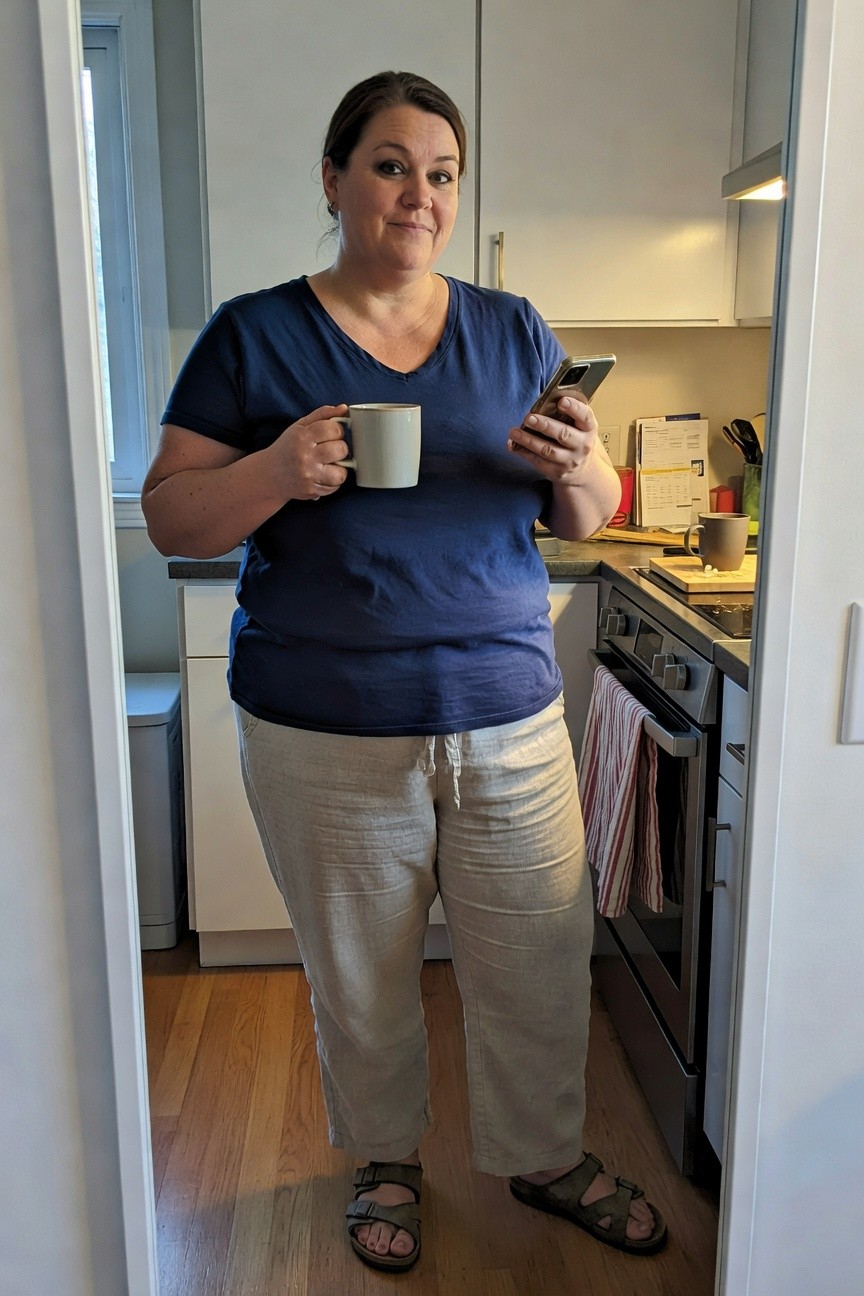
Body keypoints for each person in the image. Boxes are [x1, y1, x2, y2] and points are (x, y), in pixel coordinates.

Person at [142, 70, 667, 1273]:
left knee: (537, 958)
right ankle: (384, 1159)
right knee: (362, 976)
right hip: (322, 726)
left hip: (506, 715)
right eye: (389, 165)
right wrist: (276, 470)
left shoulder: (512, 328)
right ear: (334, 181)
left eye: (440, 173)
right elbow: (174, 517)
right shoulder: (254, 334)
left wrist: (582, 459)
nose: (418, 195)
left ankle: (543, 1154)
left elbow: (584, 515)